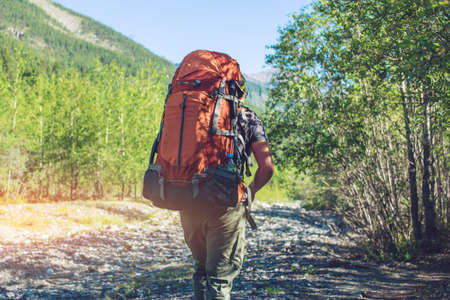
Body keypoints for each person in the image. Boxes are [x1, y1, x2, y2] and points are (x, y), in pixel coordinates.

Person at [179, 102, 274, 300]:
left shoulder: (190, 110)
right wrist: (251, 190)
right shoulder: (247, 117)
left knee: (201, 269)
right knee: (219, 278)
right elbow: (266, 168)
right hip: (228, 204)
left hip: (189, 200)